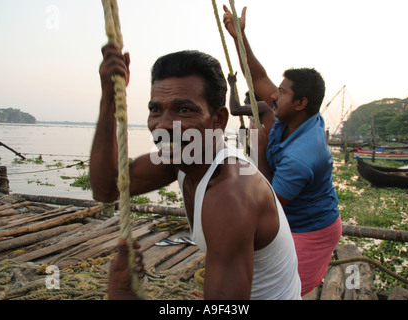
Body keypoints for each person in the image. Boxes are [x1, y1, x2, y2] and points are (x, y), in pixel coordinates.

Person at [90, 42, 301, 300]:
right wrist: (109, 98)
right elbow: (107, 188)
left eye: (183, 109)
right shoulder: (182, 156)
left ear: (218, 120)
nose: (164, 125)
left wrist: (124, 295)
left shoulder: (231, 195)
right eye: (156, 109)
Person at [223, 6, 342, 296]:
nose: (273, 95)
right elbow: (258, 76)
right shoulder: (291, 117)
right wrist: (239, 36)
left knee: (287, 291)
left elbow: (270, 206)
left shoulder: (302, 156)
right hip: (290, 221)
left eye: (283, 92)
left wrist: (260, 149)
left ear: (301, 103)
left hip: (310, 230)